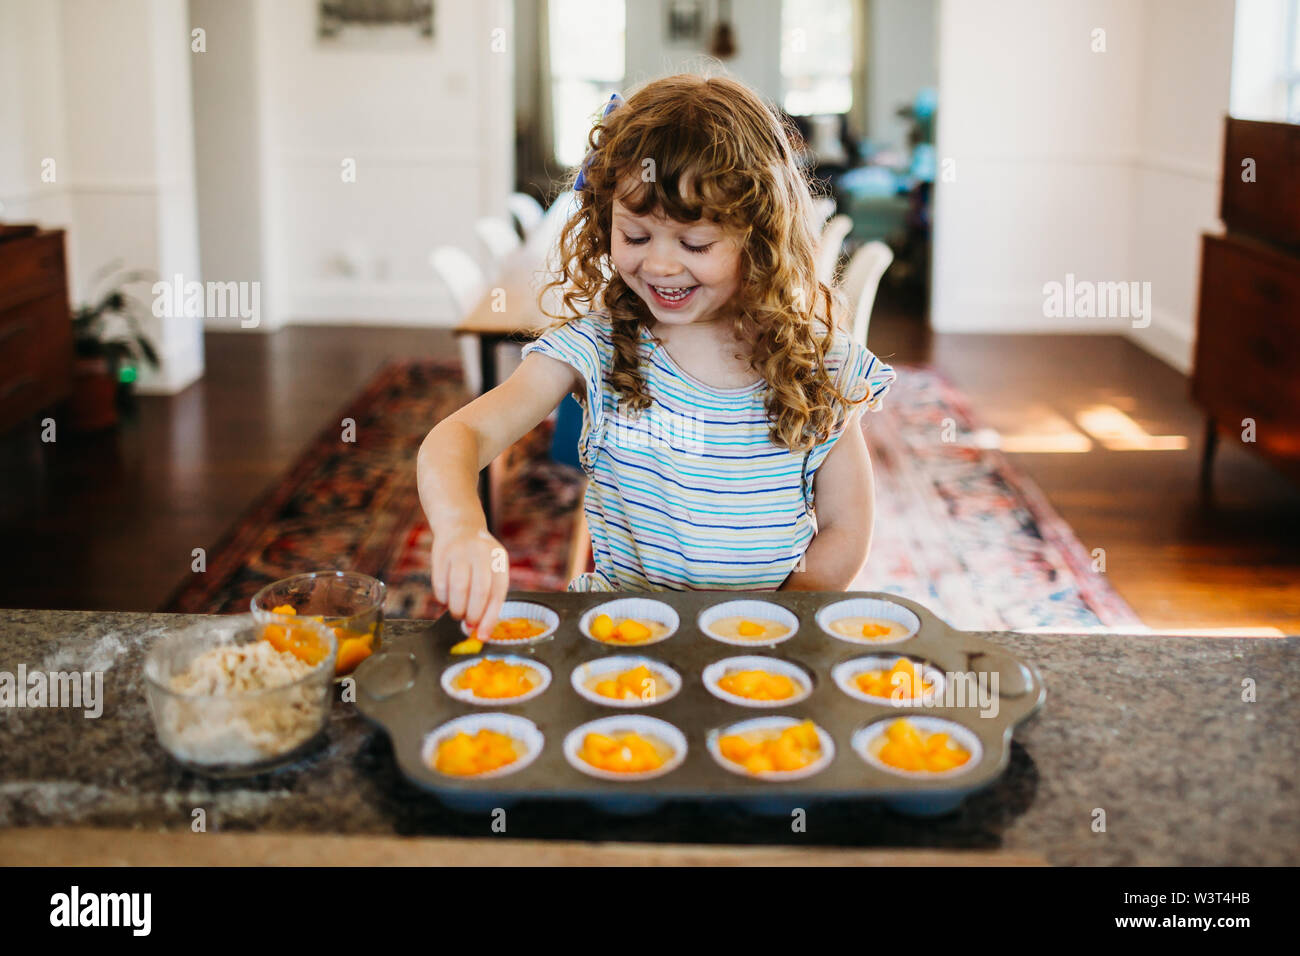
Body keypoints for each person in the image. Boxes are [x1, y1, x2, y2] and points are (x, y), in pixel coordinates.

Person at [416, 72, 896, 639]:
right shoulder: (594, 345)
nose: (661, 266)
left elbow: (845, 526)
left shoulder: (814, 361)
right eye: (636, 237)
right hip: (619, 638)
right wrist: (462, 528)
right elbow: (457, 438)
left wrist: (774, 622)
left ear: (759, 235)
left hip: (762, 645)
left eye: (695, 244)